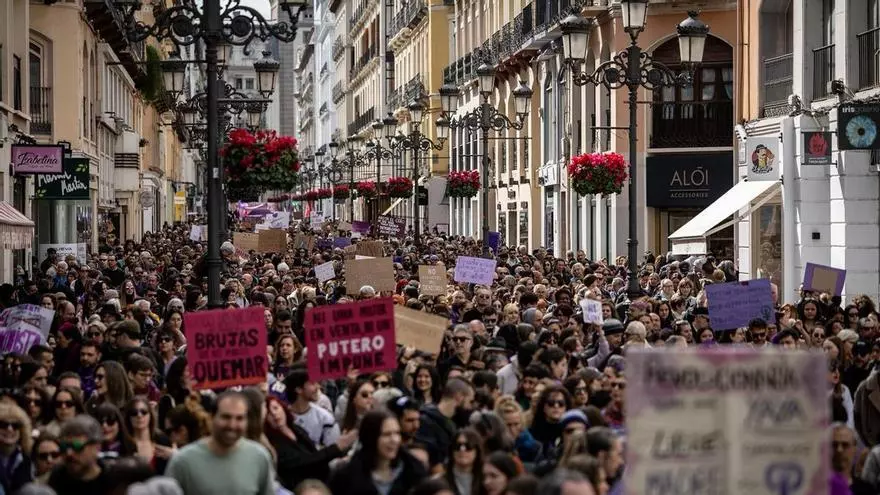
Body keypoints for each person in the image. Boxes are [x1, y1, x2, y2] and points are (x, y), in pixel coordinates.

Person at [165, 391, 274, 495]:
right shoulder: (183, 462)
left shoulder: (259, 457)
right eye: (226, 417)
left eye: (239, 418)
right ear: (212, 418)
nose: (232, 425)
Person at [328, 409, 428, 495]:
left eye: (397, 433)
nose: (394, 440)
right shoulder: (346, 478)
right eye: (386, 434)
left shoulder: (413, 472)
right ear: (371, 437)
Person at [416, 377, 475, 470]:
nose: (470, 407)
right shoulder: (425, 421)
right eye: (470, 401)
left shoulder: (453, 424)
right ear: (459, 397)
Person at [47, 415, 113, 494]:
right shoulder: (58, 476)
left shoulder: (111, 479)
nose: (69, 453)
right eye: (64, 447)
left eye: (77, 447)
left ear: (97, 447)